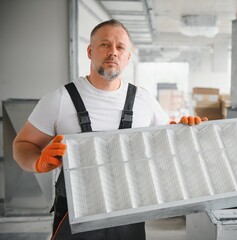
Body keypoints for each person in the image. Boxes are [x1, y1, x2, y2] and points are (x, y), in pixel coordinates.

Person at [12, 19, 207, 240]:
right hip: (75, 217)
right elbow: (22, 145)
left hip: (128, 217)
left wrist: (185, 131)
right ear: (89, 51)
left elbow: (168, 147)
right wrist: (38, 162)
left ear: (127, 57)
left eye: (120, 47)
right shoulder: (60, 99)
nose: (113, 52)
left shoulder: (144, 100)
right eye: (105, 44)